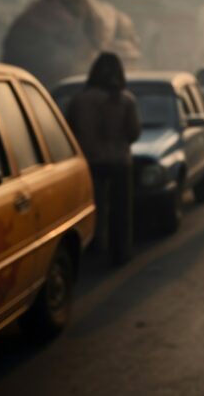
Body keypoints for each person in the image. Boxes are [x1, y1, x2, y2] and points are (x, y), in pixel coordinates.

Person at [67, 52, 140, 265]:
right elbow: (134, 133)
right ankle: (120, 253)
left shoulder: (79, 100)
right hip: (119, 162)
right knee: (121, 211)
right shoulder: (125, 100)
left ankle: (93, 249)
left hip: (89, 162)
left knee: (93, 209)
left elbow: (69, 130)